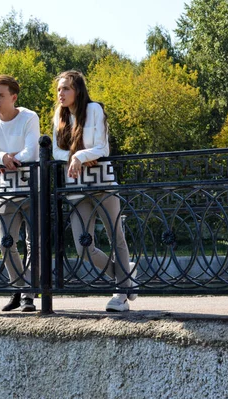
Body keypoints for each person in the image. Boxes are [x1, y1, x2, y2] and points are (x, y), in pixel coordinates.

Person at [52, 70, 137, 312]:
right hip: (76, 185)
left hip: (102, 182)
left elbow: (102, 147)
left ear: (77, 90)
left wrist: (80, 154)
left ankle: (120, 294)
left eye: (66, 88)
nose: (61, 93)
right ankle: (125, 276)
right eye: (59, 89)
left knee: (115, 236)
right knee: (83, 245)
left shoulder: (94, 110)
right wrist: (76, 157)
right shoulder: (59, 116)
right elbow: (56, 152)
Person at [0, 74, 39, 312]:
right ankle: (19, 287)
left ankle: (27, 296)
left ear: (13, 97)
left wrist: (10, 158)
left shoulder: (29, 117)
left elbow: (32, 153)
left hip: (33, 188)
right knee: (5, 242)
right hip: (6, 189)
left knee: (34, 245)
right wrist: (0, 157)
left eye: (0, 95)